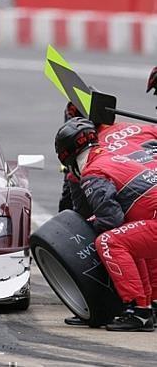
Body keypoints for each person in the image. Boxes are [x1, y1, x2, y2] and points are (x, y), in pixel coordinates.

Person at [55, 117, 157, 332]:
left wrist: (89, 226)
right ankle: (145, 307)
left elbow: (111, 219)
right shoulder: (114, 154)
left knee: (109, 241)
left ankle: (138, 312)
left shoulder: (93, 172)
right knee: (125, 238)